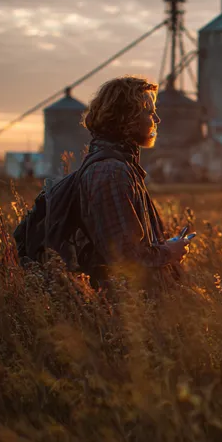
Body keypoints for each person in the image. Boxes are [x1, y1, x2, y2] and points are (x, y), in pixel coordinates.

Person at [76, 75, 190, 290]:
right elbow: (125, 255)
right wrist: (169, 252)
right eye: (149, 112)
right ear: (127, 118)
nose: (157, 119)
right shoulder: (111, 171)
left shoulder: (122, 165)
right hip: (131, 308)